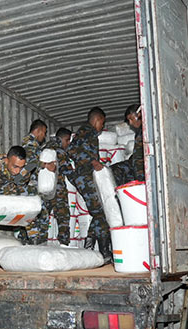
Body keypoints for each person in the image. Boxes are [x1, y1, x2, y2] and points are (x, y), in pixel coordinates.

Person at [66, 107, 112, 259]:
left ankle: (89, 245)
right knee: (101, 213)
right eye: (102, 123)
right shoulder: (88, 131)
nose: (102, 127)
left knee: (97, 210)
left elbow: (72, 149)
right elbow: (72, 151)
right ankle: (104, 252)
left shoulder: (82, 132)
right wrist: (93, 162)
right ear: (97, 119)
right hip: (85, 176)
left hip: (83, 176)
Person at [45, 127, 76, 246]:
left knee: (42, 219)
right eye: (67, 140)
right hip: (57, 190)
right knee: (63, 217)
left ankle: (35, 244)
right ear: (62, 138)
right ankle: (64, 244)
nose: (68, 144)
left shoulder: (45, 148)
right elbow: (68, 171)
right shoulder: (59, 150)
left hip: (44, 190)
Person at [21, 119, 50, 245]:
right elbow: (29, 164)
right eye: (43, 132)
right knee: (40, 216)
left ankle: (28, 243)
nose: (44, 136)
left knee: (32, 217)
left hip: (32, 187)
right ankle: (36, 244)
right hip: (29, 187)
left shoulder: (32, 144)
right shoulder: (30, 144)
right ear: (37, 131)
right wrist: (45, 165)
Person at [111, 103, 145, 184]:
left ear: (139, 114)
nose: (130, 123)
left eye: (131, 118)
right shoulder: (140, 132)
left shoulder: (147, 131)